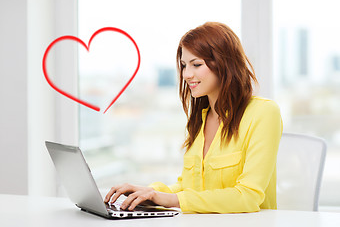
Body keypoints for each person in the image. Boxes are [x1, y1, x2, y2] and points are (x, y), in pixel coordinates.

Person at [104, 22, 283, 213]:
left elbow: (248, 197)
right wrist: (149, 193)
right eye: (183, 65)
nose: (187, 74)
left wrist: (169, 199)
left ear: (224, 63)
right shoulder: (201, 119)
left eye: (197, 64)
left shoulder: (264, 113)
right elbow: (188, 189)